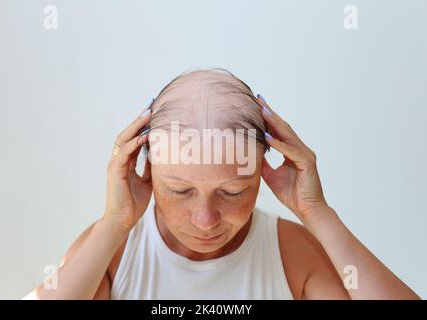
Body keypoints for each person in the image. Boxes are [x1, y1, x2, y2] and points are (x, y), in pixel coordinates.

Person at [26, 69, 420, 299]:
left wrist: (317, 214)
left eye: (232, 192)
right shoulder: (112, 253)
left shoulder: (293, 254)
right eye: (179, 191)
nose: (205, 219)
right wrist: (113, 222)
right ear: (142, 170)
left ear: (264, 171)